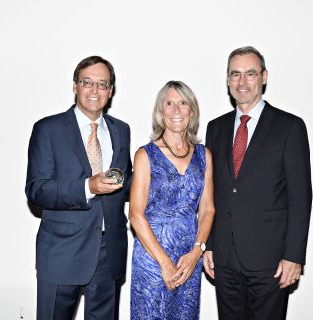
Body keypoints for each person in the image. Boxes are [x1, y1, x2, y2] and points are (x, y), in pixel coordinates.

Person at [203, 46, 313, 320]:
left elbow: (300, 197)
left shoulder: (290, 126)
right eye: (235, 74)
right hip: (225, 259)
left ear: (264, 77)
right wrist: (211, 245)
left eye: (250, 74)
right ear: (227, 80)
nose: (242, 82)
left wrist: (294, 256)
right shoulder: (215, 128)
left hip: (271, 260)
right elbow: (213, 194)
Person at [25, 55, 132, 320]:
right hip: (62, 251)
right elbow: (37, 190)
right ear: (75, 86)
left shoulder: (121, 130)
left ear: (111, 90)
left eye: (103, 84)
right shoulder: (47, 129)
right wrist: (88, 187)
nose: (95, 90)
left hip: (109, 253)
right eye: (88, 83)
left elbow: (125, 181)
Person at [129, 81, 215, 320]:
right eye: (169, 104)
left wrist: (197, 251)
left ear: (192, 111)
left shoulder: (204, 155)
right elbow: (136, 214)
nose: (176, 111)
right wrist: (164, 262)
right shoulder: (145, 155)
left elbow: (207, 209)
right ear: (161, 111)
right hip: (152, 259)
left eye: (183, 103)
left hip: (189, 258)